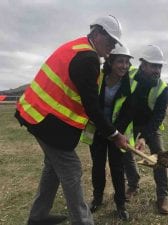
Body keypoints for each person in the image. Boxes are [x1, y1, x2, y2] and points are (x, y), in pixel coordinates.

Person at [15, 15, 128, 225]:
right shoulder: (88, 58)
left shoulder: (79, 47)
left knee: (52, 167)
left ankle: (38, 217)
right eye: (110, 40)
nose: (112, 46)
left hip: (36, 113)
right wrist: (114, 135)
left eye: (115, 42)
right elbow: (92, 106)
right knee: (72, 169)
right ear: (97, 33)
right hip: (44, 119)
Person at [83, 45, 136, 220]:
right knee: (97, 167)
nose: (124, 66)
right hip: (97, 130)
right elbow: (90, 104)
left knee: (117, 168)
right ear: (110, 61)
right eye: (120, 61)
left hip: (117, 135)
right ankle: (97, 199)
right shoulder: (98, 77)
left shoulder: (129, 84)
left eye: (127, 62)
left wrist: (115, 133)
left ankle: (120, 204)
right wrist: (104, 129)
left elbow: (128, 112)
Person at [123, 45, 168, 214]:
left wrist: (143, 137)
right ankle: (133, 185)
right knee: (125, 152)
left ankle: (162, 197)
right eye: (154, 65)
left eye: (160, 66)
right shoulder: (129, 75)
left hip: (150, 125)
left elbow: (158, 117)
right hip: (129, 123)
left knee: (160, 155)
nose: (157, 70)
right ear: (143, 65)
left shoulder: (163, 89)